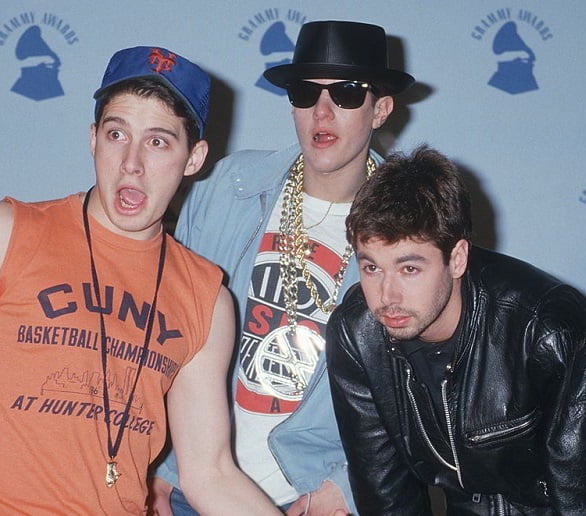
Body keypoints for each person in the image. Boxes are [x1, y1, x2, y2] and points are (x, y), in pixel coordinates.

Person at [0, 45, 280, 515]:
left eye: (158, 141)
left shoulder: (207, 299)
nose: (131, 162)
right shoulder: (2, 231)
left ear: (193, 158)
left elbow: (211, 474)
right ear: (93, 138)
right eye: (117, 133)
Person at [152, 21, 415, 515]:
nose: (322, 110)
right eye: (304, 91)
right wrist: (160, 467)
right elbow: (167, 337)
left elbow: (423, 390)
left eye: (347, 93)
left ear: (381, 109)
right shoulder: (231, 187)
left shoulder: (411, 230)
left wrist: (348, 487)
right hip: (193, 488)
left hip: (316, 499)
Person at [325, 145, 586, 514]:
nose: (386, 296)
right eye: (372, 268)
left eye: (409, 269)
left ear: (457, 258)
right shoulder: (357, 335)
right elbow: (386, 498)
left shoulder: (547, 331)